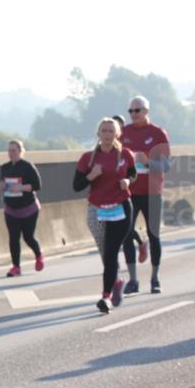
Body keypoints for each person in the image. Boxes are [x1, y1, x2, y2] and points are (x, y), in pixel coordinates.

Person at [73, 118, 136, 314]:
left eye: (111, 131)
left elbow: (133, 174)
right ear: (98, 134)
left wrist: (127, 180)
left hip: (121, 208)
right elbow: (76, 186)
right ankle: (116, 281)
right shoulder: (88, 158)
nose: (107, 134)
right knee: (105, 252)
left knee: (110, 252)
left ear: (117, 134)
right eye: (104, 131)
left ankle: (105, 296)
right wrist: (92, 175)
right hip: (97, 209)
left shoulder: (125, 155)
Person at [120, 97, 170, 294]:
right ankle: (133, 280)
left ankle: (155, 278)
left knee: (154, 235)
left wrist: (147, 162)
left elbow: (166, 165)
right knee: (126, 234)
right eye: (130, 110)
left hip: (152, 192)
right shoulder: (123, 134)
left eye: (137, 110)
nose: (133, 114)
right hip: (129, 193)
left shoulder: (158, 134)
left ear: (147, 111)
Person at [0, 139, 44, 277]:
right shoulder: (5, 167)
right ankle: (16, 267)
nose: (11, 153)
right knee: (13, 238)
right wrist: (1, 186)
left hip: (28, 207)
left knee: (28, 237)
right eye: (9, 150)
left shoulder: (28, 166)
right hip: (11, 208)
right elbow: (2, 183)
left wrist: (21, 187)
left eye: (14, 150)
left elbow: (37, 185)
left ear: (20, 151)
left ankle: (39, 255)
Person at [112, 115, 149, 265]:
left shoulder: (127, 149)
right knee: (115, 228)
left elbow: (135, 170)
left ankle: (139, 243)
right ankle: (113, 262)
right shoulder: (103, 149)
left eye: (119, 128)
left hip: (130, 194)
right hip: (111, 195)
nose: (116, 132)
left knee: (124, 228)